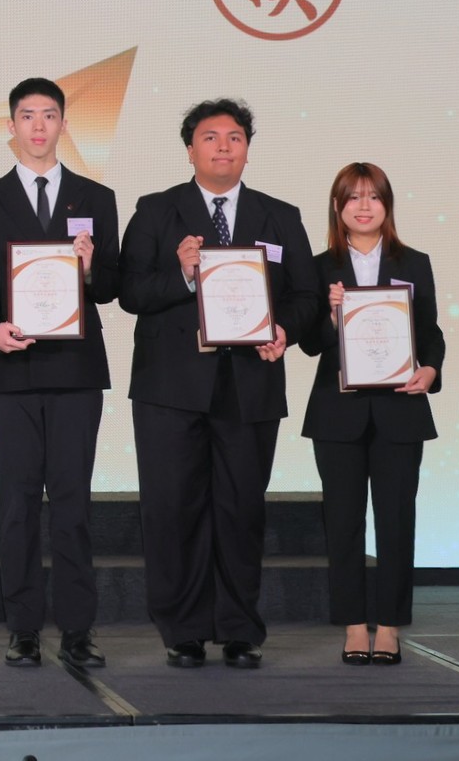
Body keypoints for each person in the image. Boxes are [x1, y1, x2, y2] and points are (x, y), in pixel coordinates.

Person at [119, 99, 317, 669]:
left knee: (241, 509)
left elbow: (305, 295)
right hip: (169, 388)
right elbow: (130, 292)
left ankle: (238, 629)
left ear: (247, 149)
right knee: (171, 509)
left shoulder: (280, 215)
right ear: (190, 150)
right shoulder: (157, 210)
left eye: (234, 137)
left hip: (249, 384)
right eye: (210, 137)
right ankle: (181, 629)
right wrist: (183, 274)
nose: (223, 146)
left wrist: (284, 328)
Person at [0, 77, 121, 668]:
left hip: (76, 370)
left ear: (63, 125)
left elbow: (113, 286)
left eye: (49, 115)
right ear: (11, 126)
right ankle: (23, 627)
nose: (37, 126)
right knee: (18, 503)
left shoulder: (95, 197)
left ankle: (78, 628)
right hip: (12, 371)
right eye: (26, 115)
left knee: (74, 502)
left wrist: (92, 267)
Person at [299, 162, 444, 666]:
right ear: (337, 207)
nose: (364, 206)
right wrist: (331, 316)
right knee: (342, 524)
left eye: (374, 197)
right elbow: (308, 343)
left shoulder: (415, 262)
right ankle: (354, 626)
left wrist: (430, 370)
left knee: (397, 521)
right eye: (354, 197)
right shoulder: (319, 267)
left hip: (400, 410)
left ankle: (390, 627)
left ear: (387, 205)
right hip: (336, 414)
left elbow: (430, 331)